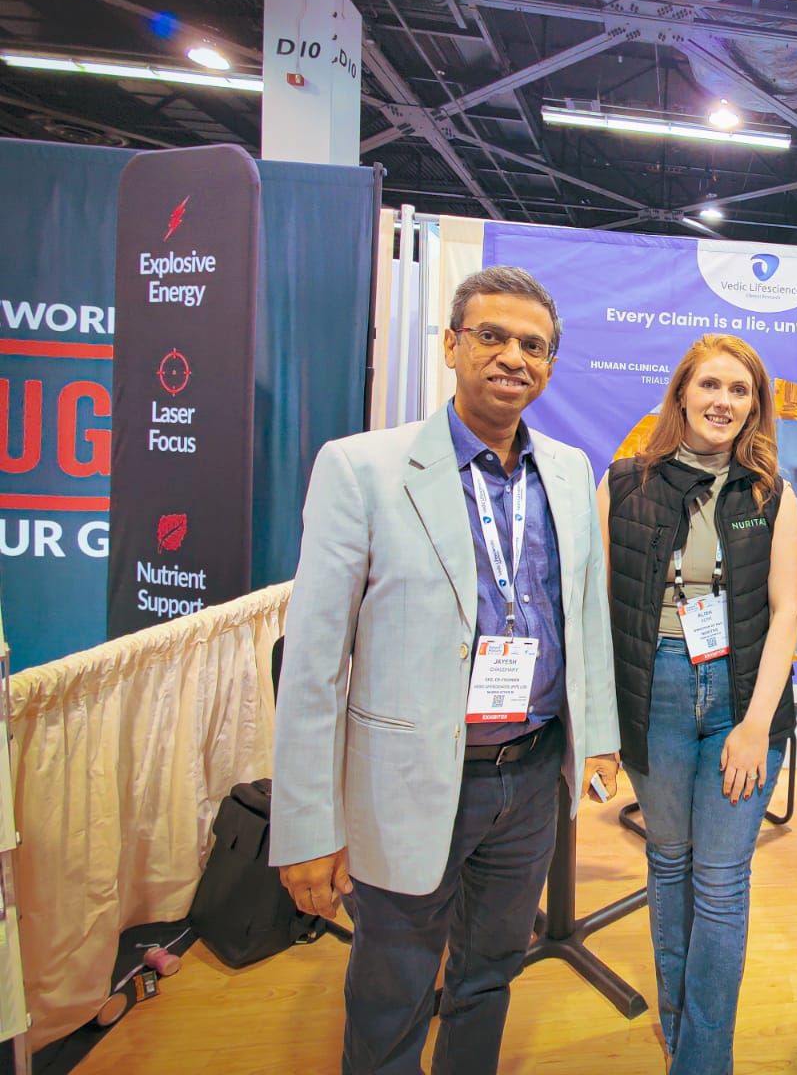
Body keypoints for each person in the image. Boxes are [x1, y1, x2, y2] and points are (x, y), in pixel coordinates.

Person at [270, 265, 621, 1075]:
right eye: (492, 336)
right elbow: (313, 665)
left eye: (533, 345)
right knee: (392, 989)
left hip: (529, 778)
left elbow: (583, 616)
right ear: (452, 344)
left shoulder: (569, 471)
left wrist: (597, 737)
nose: (513, 357)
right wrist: (309, 827)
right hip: (410, 777)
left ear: (550, 364)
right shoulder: (361, 469)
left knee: (490, 973)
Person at [598, 334, 797, 1075]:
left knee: (720, 883)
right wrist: (600, 728)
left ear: (755, 405)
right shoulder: (624, 484)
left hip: (742, 700)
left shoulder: (771, 495)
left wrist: (754, 727)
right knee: (668, 864)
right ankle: (679, 1028)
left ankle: (702, 1059)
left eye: (739, 390)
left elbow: (785, 613)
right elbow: (597, 608)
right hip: (653, 690)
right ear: (682, 393)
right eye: (710, 385)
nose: (723, 401)